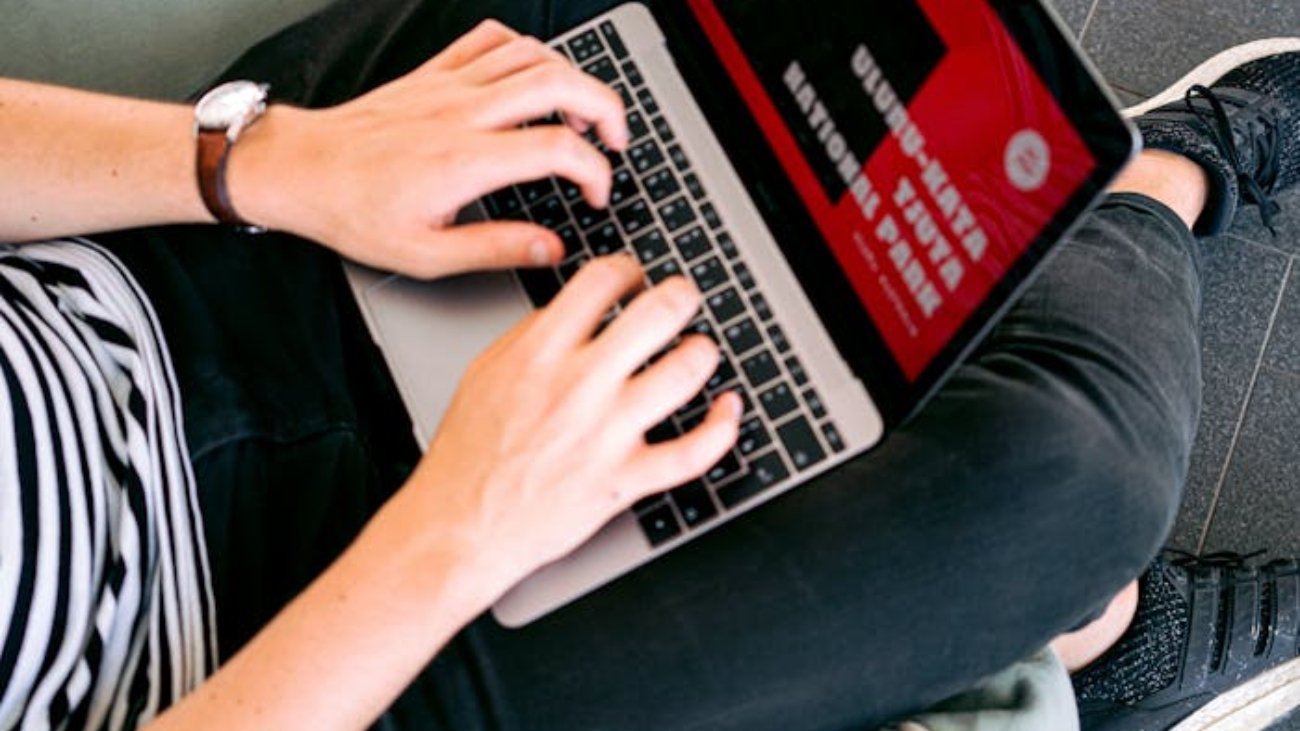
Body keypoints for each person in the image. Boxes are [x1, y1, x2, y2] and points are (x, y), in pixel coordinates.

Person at [0, 0, 1296, 728]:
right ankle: (1141, 192)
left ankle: (1037, 583)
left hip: (168, 261)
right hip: (290, 652)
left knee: (645, 42)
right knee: (1066, 472)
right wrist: (455, 533)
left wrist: (263, 161)